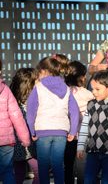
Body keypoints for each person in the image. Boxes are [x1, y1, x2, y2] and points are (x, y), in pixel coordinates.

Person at [26, 55, 80, 184]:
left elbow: (31, 112)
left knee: (43, 166)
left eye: (39, 72)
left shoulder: (38, 88)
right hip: (61, 132)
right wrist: (72, 132)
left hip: (42, 131)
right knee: (58, 164)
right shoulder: (67, 89)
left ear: (44, 71)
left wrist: (32, 131)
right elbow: (74, 111)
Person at [1, 59, 32, 184]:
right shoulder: (5, 90)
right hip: (6, 142)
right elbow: (17, 117)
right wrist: (25, 138)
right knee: (8, 171)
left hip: (7, 142)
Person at [64, 61, 95, 184]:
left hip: (67, 135)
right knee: (82, 166)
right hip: (83, 135)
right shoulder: (87, 93)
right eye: (84, 75)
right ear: (80, 77)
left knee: (68, 166)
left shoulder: (63, 92)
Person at [10, 67, 38, 184]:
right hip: (26, 145)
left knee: (19, 171)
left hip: (19, 144)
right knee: (38, 170)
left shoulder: (13, 100)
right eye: (36, 83)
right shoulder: (24, 102)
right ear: (28, 84)